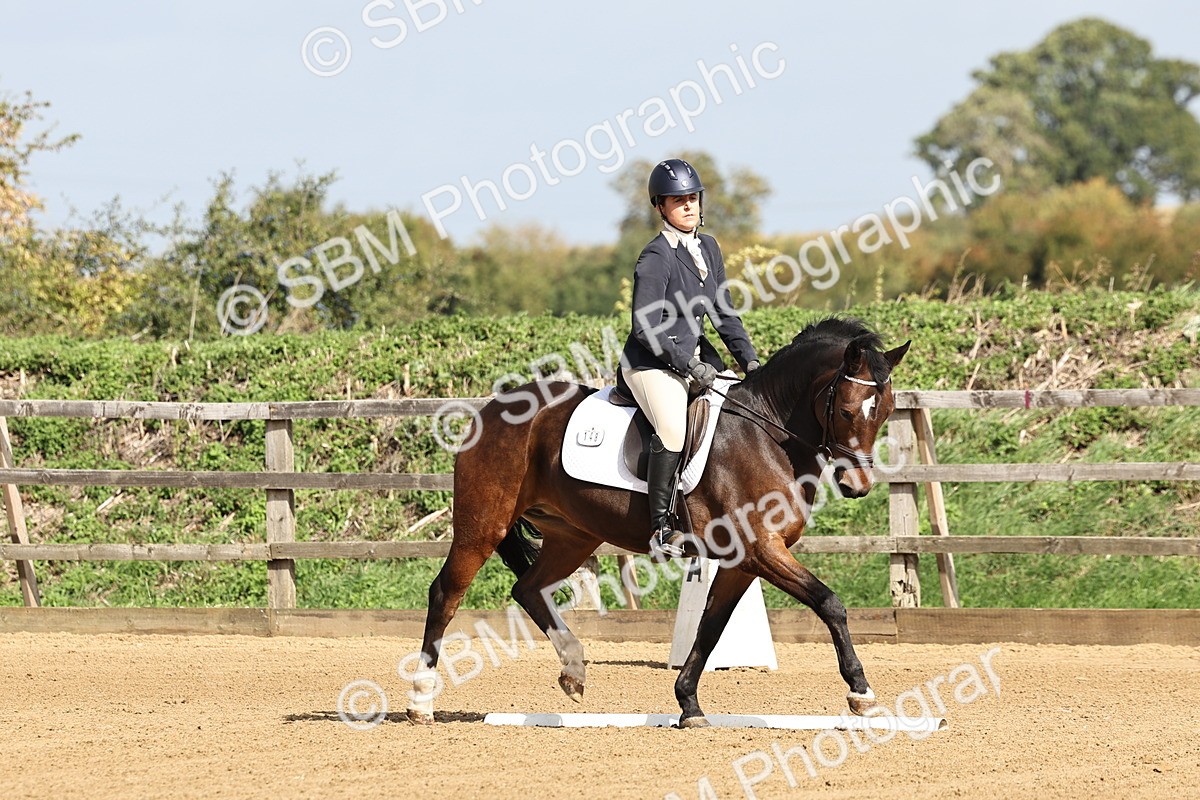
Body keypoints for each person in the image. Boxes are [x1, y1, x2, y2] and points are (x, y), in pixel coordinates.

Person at [618, 158, 760, 558]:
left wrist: (749, 361)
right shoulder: (656, 256)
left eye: (692, 198)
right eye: (677, 200)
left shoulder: (708, 247)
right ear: (660, 206)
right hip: (650, 363)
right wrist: (687, 363)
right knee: (673, 429)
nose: (688, 206)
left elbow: (723, 312)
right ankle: (660, 529)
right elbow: (645, 327)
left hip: (695, 358)